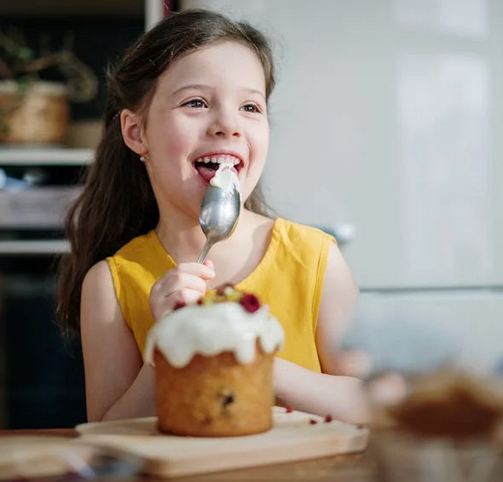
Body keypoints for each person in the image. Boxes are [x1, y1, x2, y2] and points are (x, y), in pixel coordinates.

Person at [57, 9, 369, 424]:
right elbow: (107, 436)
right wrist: (167, 350)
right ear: (137, 133)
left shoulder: (315, 259)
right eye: (197, 102)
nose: (229, 124)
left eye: (250, 107)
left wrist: (251, 361)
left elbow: (374, 405)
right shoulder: (111, 284)